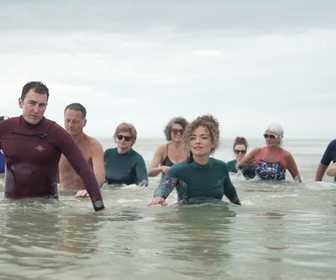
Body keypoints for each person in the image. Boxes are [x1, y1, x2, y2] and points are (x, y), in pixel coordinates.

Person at [0, 81, 104, 211]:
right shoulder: (4, 129)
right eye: (32, 103)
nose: (36, 110)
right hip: (11, 207)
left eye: (42, 105)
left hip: (47, 209)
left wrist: (99, 207)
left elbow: (84, 169)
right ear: (20, 102)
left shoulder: (56, 133)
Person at [148, 115, 241, 206]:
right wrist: (159, 197)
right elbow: (163, 188)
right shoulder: (177, 170)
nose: (198, 141)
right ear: (188, 143)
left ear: (213, 142)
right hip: (186, 220)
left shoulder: (221, 167)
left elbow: (234, 199)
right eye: (193, 138)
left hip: (215, 220)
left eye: (203, 137)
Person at [58, 103, 105, 197]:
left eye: (75, 122)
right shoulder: (56, 143)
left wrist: (90, 189)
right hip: (63, 195)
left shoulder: (93, 146)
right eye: (67, 121)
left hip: (84, 196)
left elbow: (100, 177)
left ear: (84, 122)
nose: (70, 125)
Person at [236, 123, 302, 182]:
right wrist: (249, 170)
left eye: (272, 136)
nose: (268, 139)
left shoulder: (286, 156)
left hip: (279, 194)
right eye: (266, 136)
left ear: (280, 138)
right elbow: (238, 165)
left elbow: (297, 178)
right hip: (258, 193)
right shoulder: (257, 152)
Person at [104, 122, 148, 187]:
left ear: (132, 141)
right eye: (120, 137)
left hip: (127, 194)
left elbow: (144, 181)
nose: (123, 140)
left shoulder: (137, 158)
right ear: (115, 138)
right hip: (109, 192)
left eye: (127, 138)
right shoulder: (107, 153)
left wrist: (136, 189)